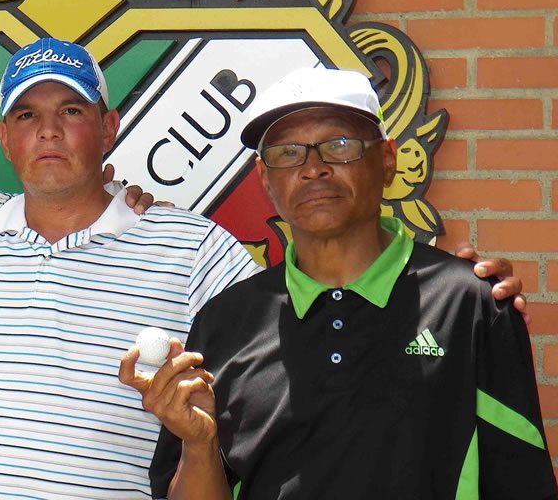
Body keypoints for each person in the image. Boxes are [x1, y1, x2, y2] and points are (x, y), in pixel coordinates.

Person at [0, 41, 525, 500]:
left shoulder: (191, 247)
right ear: (4, 137)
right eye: (26, 115)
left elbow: (303, 309)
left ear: (108, 128)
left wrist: (444, 286)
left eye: (71, 110)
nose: (48, 129)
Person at [120, 67, 556, 500]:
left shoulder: (470, 304)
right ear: (265, 178)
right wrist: (199, 445)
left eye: (339, 145)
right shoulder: (225, 323)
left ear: (387, 159)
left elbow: (521, 482)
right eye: (288, 152)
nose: (313, 169)